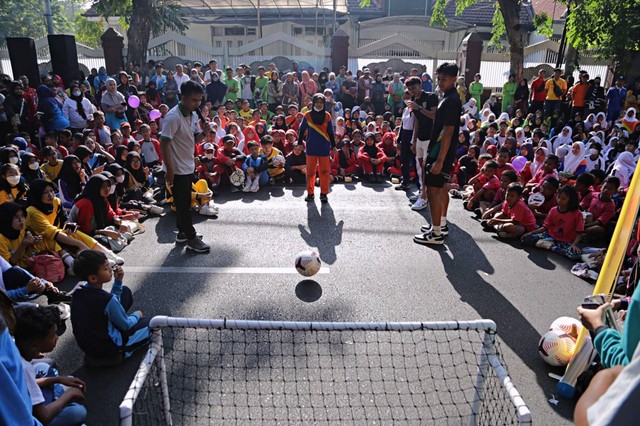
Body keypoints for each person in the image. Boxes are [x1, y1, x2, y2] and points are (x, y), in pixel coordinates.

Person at [71, 250, 151, 367]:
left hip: (89, 344)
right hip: (110, 346)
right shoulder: (106, 299)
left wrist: (118, 282)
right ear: (93, 278)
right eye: (105, 268)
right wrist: (137, 314)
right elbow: (126, 324)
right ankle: (119, 353)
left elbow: (112, 303)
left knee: (125, 292)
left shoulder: (78, 291)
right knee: (154, 323)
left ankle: (97, 355)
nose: (110, 269)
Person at [413, 63, 462, 245]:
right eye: (439, 79)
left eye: (445, 79)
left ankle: (436, 234)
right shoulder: (448, 97)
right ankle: (440, 225)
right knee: (440, 189)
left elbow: (448, 132)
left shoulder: (451, 101)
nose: (441, 82)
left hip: (440, 151)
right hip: (440, 150)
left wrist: (440, 160)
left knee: (433, 191)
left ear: (454, 79)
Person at [14, 305, 87, 425]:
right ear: (34, 345)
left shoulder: (17, 354)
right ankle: (58, 402)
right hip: (31, 417)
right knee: (78, 412)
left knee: (45, 368)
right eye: (53, 335)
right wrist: (69, 394)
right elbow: (44, 416)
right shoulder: (24, 368)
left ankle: (56, 399)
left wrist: (57, 379)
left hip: (25, 399)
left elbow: (27, 384)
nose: (57, 338)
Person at [160, 81, 211, 252]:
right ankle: (191, 237)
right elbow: (164, 144)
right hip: (176, 169)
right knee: (183, 204)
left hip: (187, 165)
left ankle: (182, 232)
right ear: (183, 98)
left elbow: (194, 139)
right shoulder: (173, 117)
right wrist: (170, 170)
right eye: (194, 100)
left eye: (199, 100)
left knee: (184, 202)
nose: (197, 104)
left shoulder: (193, 114)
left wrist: (204, 132)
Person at [521, 184, 583, 260]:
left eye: (563, 198)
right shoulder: (553, 210)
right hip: (550, 236)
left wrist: (574, 245)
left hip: (565, 241)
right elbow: (545, 227)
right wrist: (531, 233)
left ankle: (552, 247)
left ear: (571, 200)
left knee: (575, 255)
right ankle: (549, 245)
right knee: (526, 239)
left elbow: (579, 233)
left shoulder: (577, 214)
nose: (559, 200)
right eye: (558, 197)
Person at [406, 77, 439, 211]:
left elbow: (434, 116)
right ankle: (422, 192)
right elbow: (417, 121)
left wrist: (418, 108)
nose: (411, 91)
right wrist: (413, 141)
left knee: (426, 168)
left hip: (430, 138)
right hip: (419, 138)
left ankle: (425, 198)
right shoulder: (414, 101)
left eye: (413, 88)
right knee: (420, 167)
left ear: (420, 85)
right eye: (409, 89)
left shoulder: (431, 97)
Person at [298, 94, 335, 203]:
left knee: (324, 171)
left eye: (321, 103)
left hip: (324, 148)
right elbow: (302, 130)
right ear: (314, 103)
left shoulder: (327, 116)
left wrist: (334, 146)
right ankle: (310, 193)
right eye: (317, 102)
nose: (319, 105)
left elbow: (331, 133)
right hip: (311, 147)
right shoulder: (307, 115)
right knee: (310, 172)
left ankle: (324, 194)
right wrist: (300, 143)